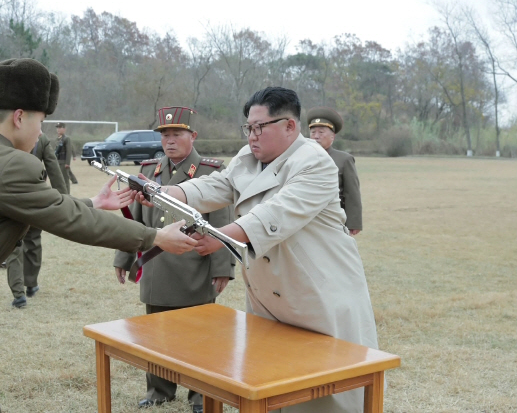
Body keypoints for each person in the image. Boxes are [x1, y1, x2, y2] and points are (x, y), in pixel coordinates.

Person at [0, 58, 197, 413]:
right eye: (40, 122)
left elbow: (37, 207)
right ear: (19, 117)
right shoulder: (10, 163)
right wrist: (153, 236)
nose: (39, 133)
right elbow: (68, 221)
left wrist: (93, 200)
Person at [139, 87, 379, 413]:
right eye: (248, 128)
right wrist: (168, 192)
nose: (252, 136)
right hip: (271, 296)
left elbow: (274, 215)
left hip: (318, 294)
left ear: (290, 126)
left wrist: (221, 237)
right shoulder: (249, 157)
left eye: (259, 127)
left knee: (322, 390)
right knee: (270, 385)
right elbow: (217, 185)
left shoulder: (314, 163)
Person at [113, 106, 235, 413]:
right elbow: (135, 221)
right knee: (156, 333)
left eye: (177, 134)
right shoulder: (149, 170)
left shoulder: (211, 172)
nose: (169, 140)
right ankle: (158, 391)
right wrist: (123, 257)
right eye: (165, 134)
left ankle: (199, 395)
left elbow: (221, 221)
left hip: (194, 266)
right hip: (156, 266)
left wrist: (223, 267)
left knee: (199, 335)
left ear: (193, 136)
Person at [7, 132, 68, 308]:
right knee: (33, 241)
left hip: (10, 197)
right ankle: (31, 284)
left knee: (14, 246)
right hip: (35, 198)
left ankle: (19, 294)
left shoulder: (6, 134)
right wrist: (64, 200)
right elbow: (54, 170)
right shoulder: (41, 138)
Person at [306, 106, 362, 235]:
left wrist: (354, 223)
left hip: (334, 220)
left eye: (321, 132)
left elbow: (352, 193)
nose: (316, 137)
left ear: (332, 136)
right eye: (313, 132)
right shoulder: (301, 158)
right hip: (307, 219)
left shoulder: (344, 159)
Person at [55, 122, 73, 193]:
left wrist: (67, 163)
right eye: (57, 128)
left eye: (60, 128)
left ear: (64, 129)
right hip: (58, 161)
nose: (58, 129)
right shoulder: (58, 139)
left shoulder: (66, 139)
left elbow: (69, 151)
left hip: (63, 161)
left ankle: (67, 195)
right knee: (59, 180)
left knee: (65, 180)